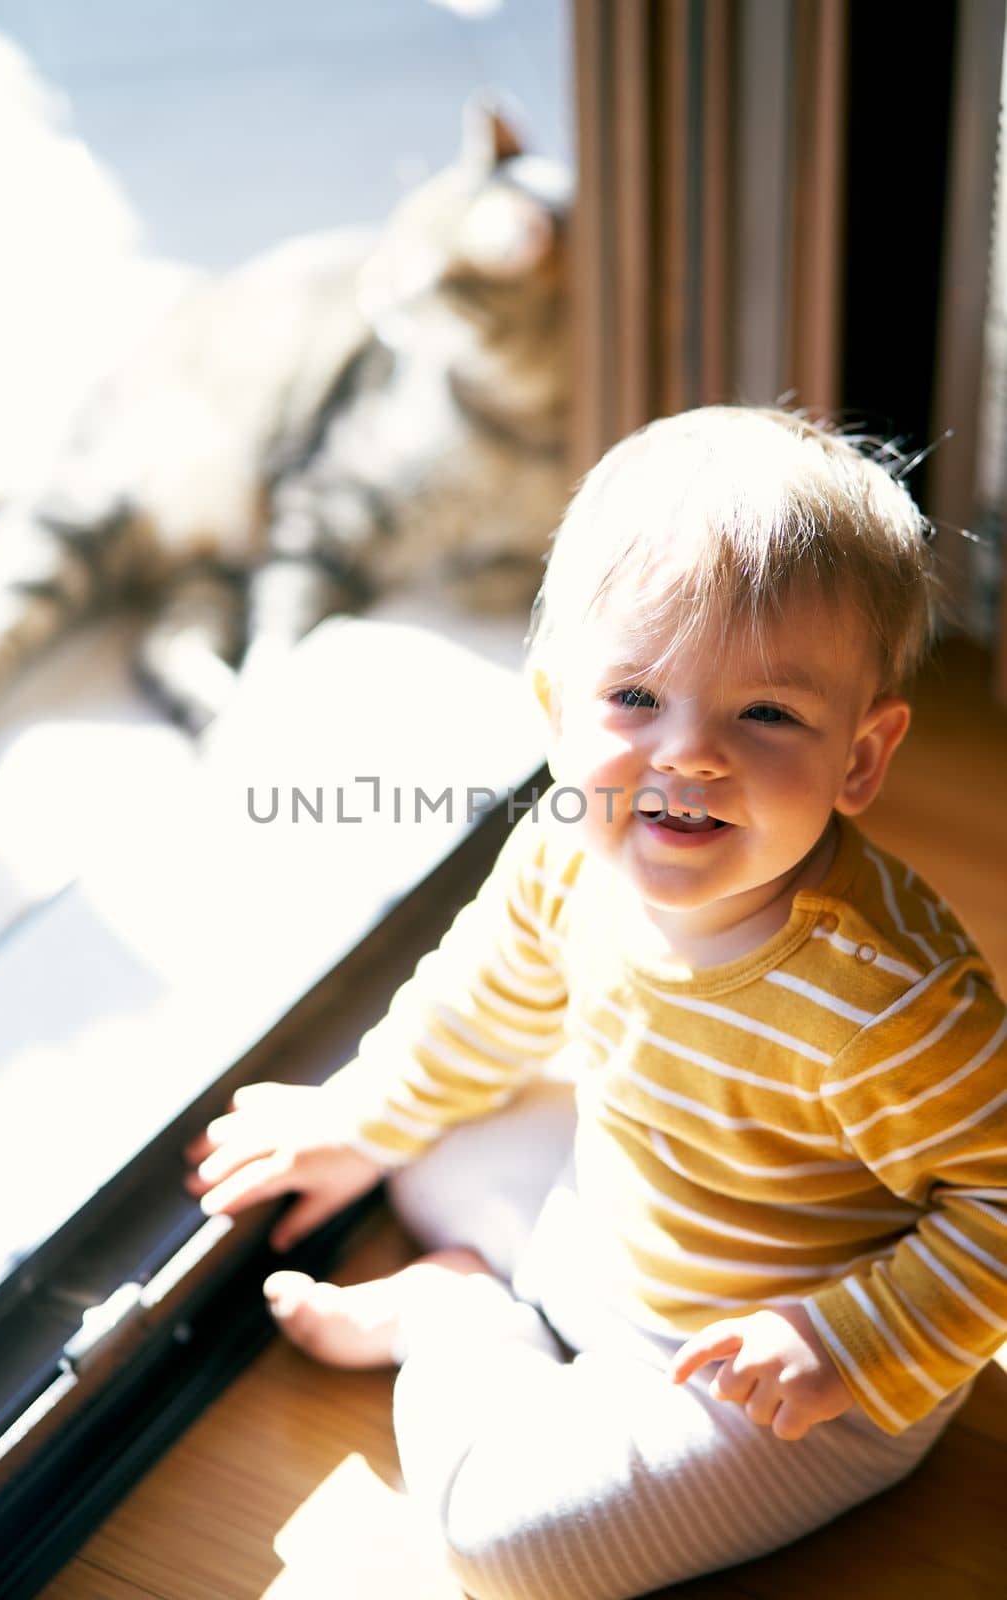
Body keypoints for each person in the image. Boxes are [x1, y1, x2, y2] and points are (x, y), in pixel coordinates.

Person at [183, 407, 1007, 1600]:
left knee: (509, 1544)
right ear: (555, 704)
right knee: (416, 1138)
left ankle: (462, 1317)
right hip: (613, 1219)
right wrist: (361, 1115)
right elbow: (480, 1001)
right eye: (633, 696)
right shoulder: (568, 847)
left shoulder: (884, 1005)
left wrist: (845, 1342)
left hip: (774, 1371)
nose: (689, 754)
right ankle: (506, 1291)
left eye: (765, 713)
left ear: (861, 759)